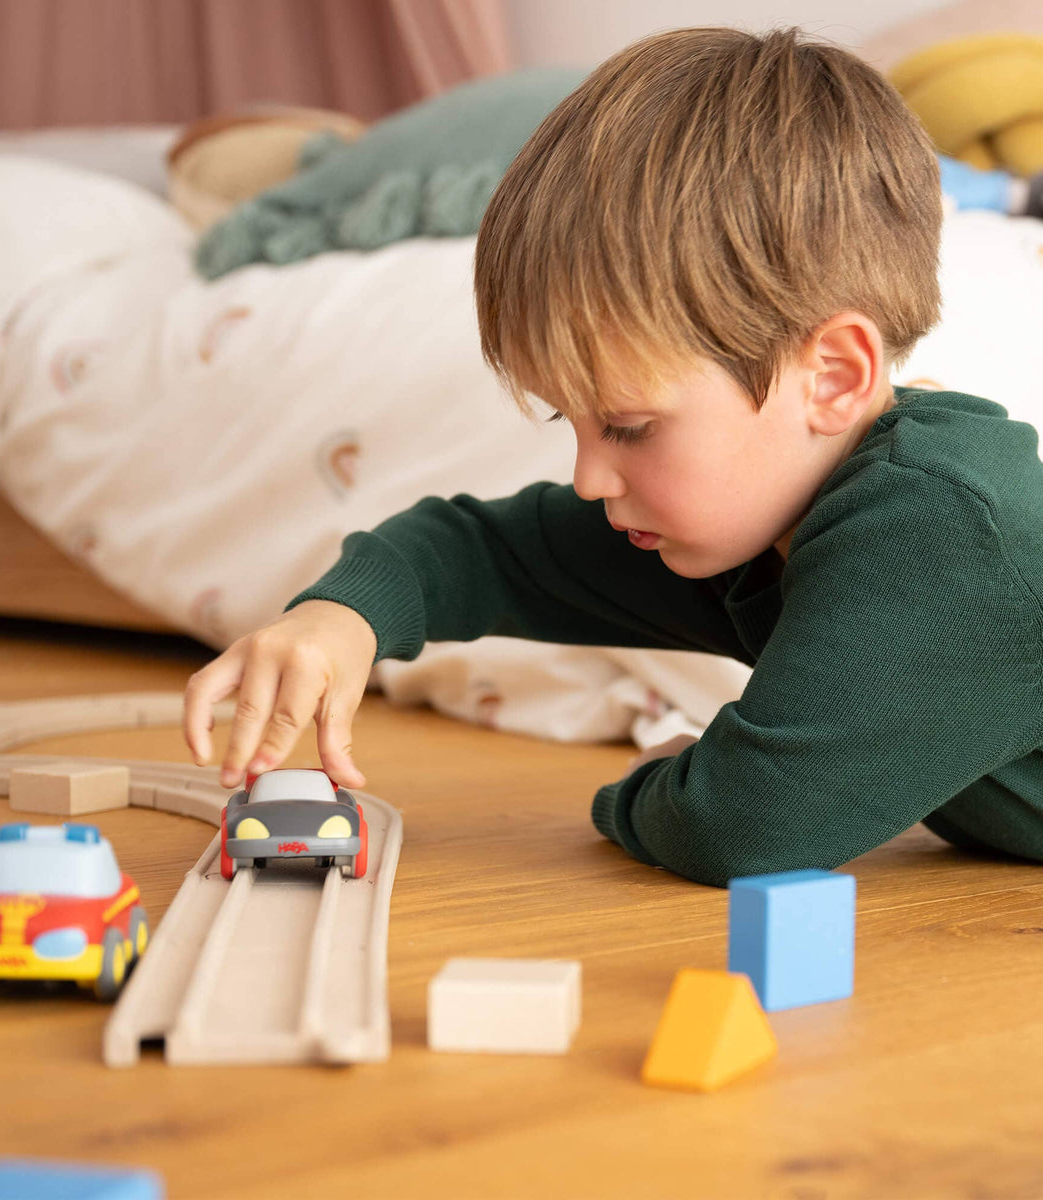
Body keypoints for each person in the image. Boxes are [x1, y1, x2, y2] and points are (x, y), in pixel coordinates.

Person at [184, 26, 1043, 888]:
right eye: (574, 423)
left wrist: (645, 790)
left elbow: (739, 826)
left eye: (629, 428)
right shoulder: (767, 503)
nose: (590, 479)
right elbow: (481, 552)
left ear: (830, 379)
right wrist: (341, 617)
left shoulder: (942, 534)